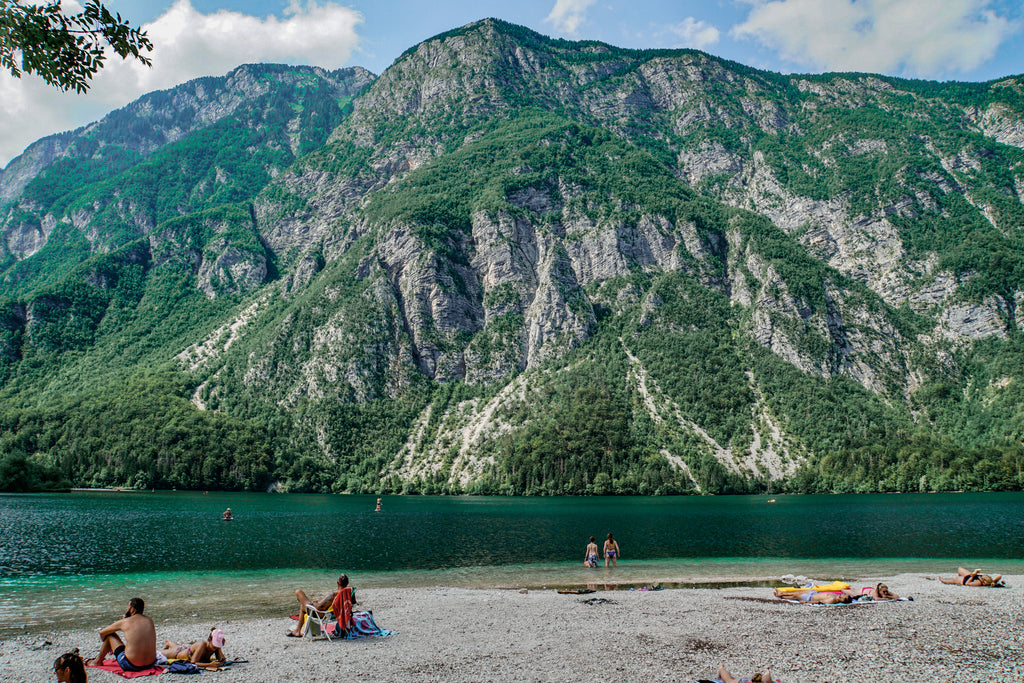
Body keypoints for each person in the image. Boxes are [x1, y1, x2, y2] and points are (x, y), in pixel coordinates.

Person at [86, 597, 157, 672]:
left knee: (110, 635)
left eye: (128, 607)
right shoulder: (149, 620)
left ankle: (97, 661)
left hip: (131, 665)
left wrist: (109, 645)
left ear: (132, 609)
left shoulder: (125, 622)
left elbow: (102, 633)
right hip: (150, 664)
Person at [287, 574, 355, 637]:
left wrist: (313, 603)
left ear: (337, 583)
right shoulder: (348, 592)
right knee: (303, 606)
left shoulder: (333, 595)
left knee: (298, 592)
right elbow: (353, 603)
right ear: (348, 583)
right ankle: (297, 631)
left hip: (320, 614)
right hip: (332, 613)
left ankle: (297, 631)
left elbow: (319, 607)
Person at [160, 627, 226, 668]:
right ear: (209, 640)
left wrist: (220, 651)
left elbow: (221, 659)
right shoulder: (202, 645)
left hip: (188, 648)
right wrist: (209, 665)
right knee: (157, 653)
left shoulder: (215, 647)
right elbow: (193, 662)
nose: (216, 647)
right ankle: (168, 642)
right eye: (215, 645)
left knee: (178, 646)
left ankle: (169, 643)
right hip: (179, 653)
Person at [773, 588, 852, 604]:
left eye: (845, 596)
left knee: (795, 596)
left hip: (810, 597)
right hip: (814, 593)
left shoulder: (833, 600)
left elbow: (820, 602)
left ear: (843, 600)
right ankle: (782, 593)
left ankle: (782, 596)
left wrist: (806, 602)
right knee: (798, 592)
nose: (844, 594)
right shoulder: (836, 596)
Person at [939, 567, 1003, 587]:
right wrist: (994, 581)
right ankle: (959, 575)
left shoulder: (978, 583)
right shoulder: (990, 581)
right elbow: (999, 576)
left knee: (948, 581)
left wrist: (973, 575)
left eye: (982, 577)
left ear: (983, 581)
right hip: (969, 575)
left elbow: (967, 583)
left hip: (964, 580)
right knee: (959, 569)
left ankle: (943, 580)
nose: (982, 576)